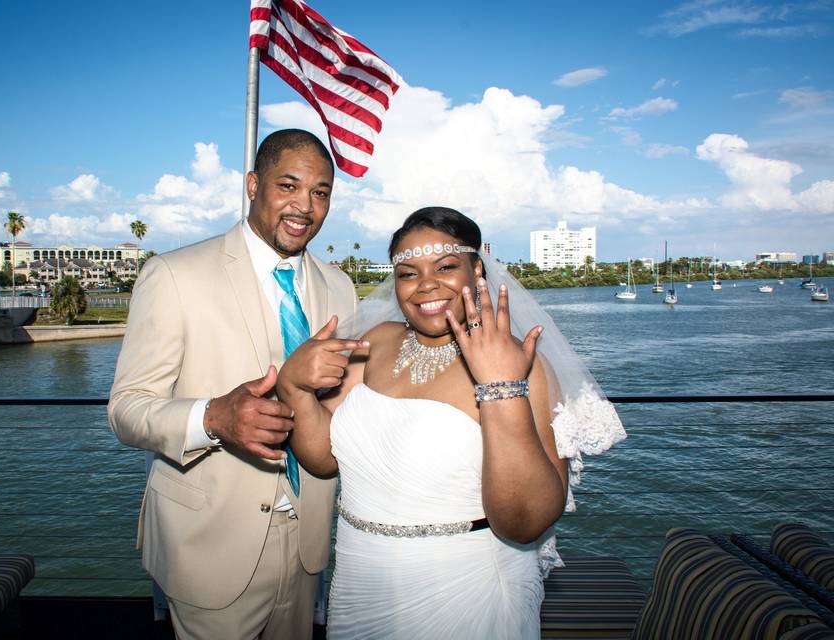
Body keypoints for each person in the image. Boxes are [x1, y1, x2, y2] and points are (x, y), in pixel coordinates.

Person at [277, 207, 626, 639]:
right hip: (359, 577)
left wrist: (501, 388)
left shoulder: (521, 365)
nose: (425, 285)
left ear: (476, 268)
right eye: (408, 273)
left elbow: (525, 523)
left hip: (466, 588)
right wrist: (293, 387)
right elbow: (323, 460)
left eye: (445, 267)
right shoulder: (376, 343)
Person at [108, 129, 358, 640]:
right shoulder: (174, 275)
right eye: (288, 186)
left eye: (320, 192)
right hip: (208, 543)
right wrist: (213, 417)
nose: (304, 206)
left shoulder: (340, 287)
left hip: (309, 538)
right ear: (252, 184)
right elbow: (126, 410)